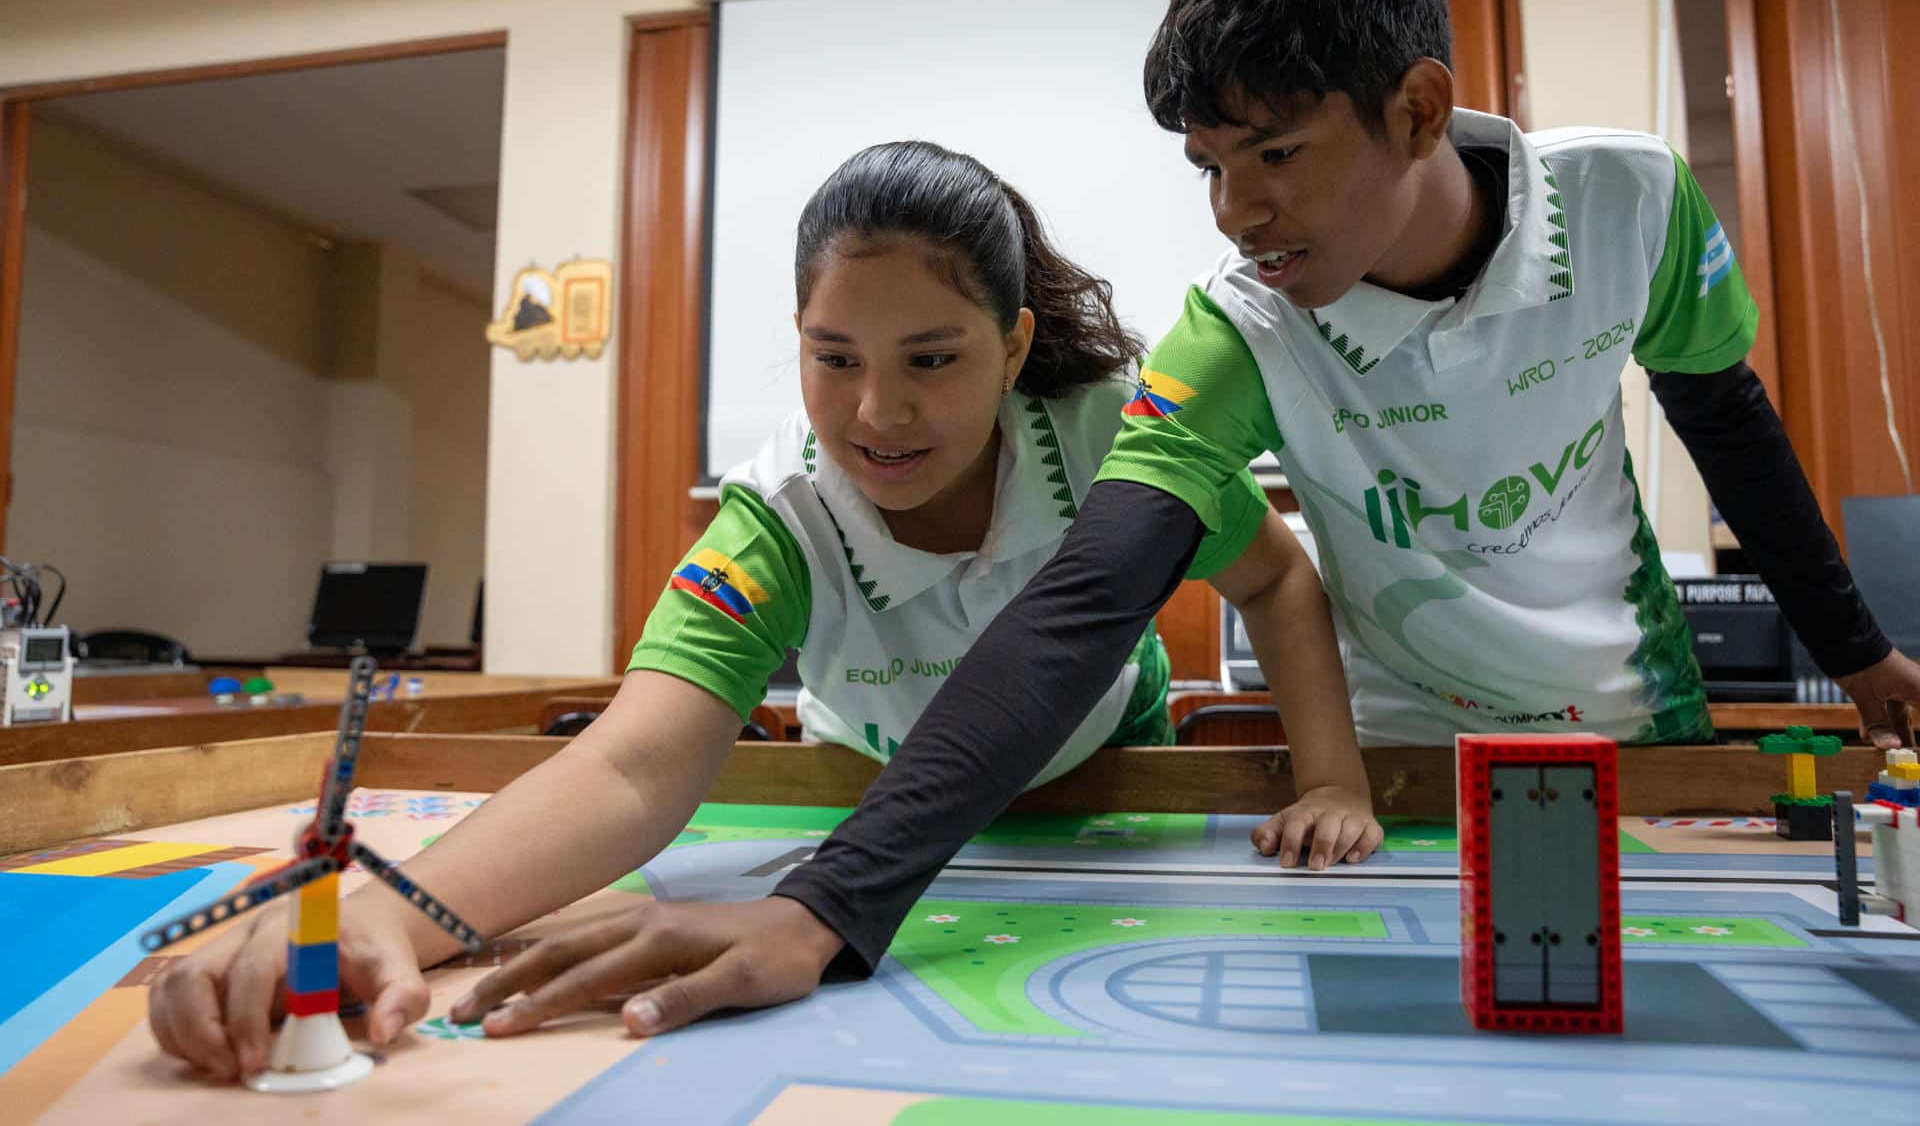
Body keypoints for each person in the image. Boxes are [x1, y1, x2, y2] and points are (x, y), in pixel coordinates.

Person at [448, 0, 1920, 1040]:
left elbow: (1726, 418)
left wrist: (1856, 655)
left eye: (1272, 153)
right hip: (1401, 742)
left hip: (1630, 717)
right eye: (1208, 166)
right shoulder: (1238, 329)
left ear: (1415, 109)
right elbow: (1092, 594)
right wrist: (835, 903)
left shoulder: (1631, 202)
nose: (1237, 213)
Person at [147, 140, 1373, 1080]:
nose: (877, 413)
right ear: (797, 340)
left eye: (933, 358)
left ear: (1015, 345)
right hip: (877, 802)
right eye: (834, 357)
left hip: (1108, 779)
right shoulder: (779, 514)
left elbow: (1273, 572)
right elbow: (633, 765)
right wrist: (387, 915)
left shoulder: (1120, 430)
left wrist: (1332, 777)